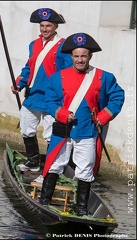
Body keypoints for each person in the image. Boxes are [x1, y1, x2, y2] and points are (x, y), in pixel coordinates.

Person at [39, 32, 125, 216]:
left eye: (83, 56)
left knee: (85, 170)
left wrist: (102, 117)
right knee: (55, 164)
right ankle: (44, 203)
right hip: (63, 130)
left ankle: (81, 209)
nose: (80, 60)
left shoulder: (104, 77)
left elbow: (118, 97)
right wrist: (61, 113)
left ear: (90, 56)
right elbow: (49, 101)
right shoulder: (57, 77)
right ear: (71, 57)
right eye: (76, 56)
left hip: (87, 131)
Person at [11, 8, 73, 172]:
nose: (45, 29)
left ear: (56, 27)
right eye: (42, 26)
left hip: (51, 97)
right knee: (26, 128)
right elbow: (28, 68)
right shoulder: (34, 44)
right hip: (33, 95)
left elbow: (68, 72)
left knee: (50, 134)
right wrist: (19, 83)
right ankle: (33, 161)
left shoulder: (63, 46)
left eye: (49, 26)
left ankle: (52, 166)